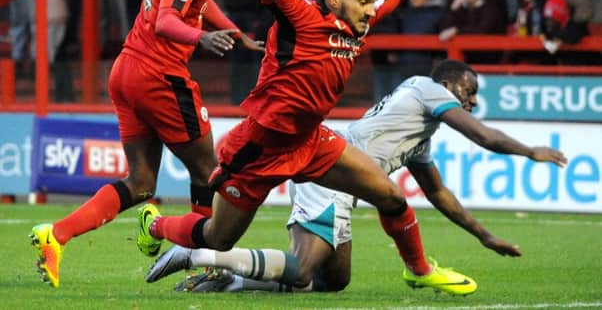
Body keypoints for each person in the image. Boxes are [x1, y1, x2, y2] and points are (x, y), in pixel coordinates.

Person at [136, 0, 479, 297]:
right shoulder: (299, 14)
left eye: (373, 2)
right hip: (260, 147)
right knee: (218, 236)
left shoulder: (360, 21)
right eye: (364, 2)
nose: (372, 9)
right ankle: (154, 224)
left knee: (391, 197)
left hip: (311, 141)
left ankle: (419, 270)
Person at [145, 59, 567, 293]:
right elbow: (482, 136)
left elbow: (438, 193)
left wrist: (482, 235)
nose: (472, 102)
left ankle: (230, 279)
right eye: (469, 91)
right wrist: (530, 151)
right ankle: (201, 255)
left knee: (334, 281)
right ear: (447, 83)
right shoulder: (427, 87)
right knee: (303, 270)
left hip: (337, 180)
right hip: (327, 171)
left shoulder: (419, 133)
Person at [29, 0, 264, 289]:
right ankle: (204, 262)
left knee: (140, 183)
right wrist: (202, 40)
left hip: (127, 71)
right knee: (208, 172)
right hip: (159, 75)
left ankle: (57, 235)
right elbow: (167, 21)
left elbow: (200, 5)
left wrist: (237, 36)